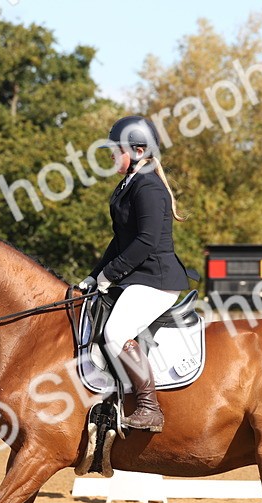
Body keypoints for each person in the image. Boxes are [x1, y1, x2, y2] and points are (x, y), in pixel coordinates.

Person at [78, 115, 191, 433]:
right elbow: (120, 241)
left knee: (116, 332)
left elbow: (146, 242)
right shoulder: (128, 185)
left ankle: (149, 408)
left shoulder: (149, 187)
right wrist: (94, 275)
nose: (112, 156)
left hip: (156, 280)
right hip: (137, 277)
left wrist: (111, 274)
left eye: (117, 150)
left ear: (138, 151)